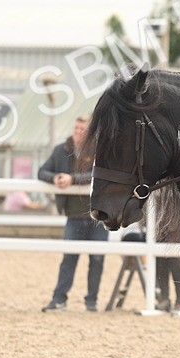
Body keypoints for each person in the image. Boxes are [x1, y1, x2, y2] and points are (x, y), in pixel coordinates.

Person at [39, 116, 106, 312]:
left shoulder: (99, 150)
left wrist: (73, 179)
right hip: (73, 214)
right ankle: (59, 299)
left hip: (98, 215)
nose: (78, 131)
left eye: (83, 128)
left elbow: (99, 174)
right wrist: (56, 178)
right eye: (77, 127)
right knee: (69, 258)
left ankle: (91, 301)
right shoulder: (62, 149)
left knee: (97, 259)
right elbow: (42, 172)